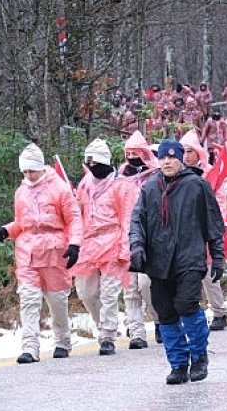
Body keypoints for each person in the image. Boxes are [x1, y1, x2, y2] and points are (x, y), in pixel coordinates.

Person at [129, 139, 224, 385]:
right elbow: (137, 220)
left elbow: (213, 222)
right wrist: (137, 246)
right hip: (159, 260)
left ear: (181, 159)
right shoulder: (149, 188)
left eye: (172, 157)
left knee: (186, 304)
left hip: (189, 257)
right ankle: (179, 364)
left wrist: (218, 255)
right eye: (162, 158)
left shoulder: (197, 186)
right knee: (165, 311)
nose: (167, 162)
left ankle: (199, 356)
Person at [0, 143, 81, 364]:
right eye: (25, 171)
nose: (28, 175)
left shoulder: (59, 188)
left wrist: (75, 244)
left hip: (54, 251)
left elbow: (74, 218)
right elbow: (22, 223)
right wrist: (6, 231)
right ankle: (30, 346)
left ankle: (62, 341)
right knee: (29, 299)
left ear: (41, 167)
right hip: (27, 252)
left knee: (57, 300)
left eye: (31, 170)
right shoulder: (21, 192)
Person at [71, 139, 127, 356]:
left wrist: (125, 249)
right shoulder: (84, 184)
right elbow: (77, 216)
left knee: (109, 293)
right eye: (90, 163)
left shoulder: (120, 186)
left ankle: (107, 336)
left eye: (97, 162)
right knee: (85, 292)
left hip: (112, 240)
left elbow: (128, 218)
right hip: (88, 243)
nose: (93, 167)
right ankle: (101, 324)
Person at [179, 131, 227, 331]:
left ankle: (219, 311)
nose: (186, 155)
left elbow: (221, 202)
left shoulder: (211, 174)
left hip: (205, 231)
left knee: (209, 274)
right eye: (183, 151)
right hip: (185, 234)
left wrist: (216, 226)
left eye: (190, 151)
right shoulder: (178, 174)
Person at [116, 132, 160, 347]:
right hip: (125, 238)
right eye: (128, 153)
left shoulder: (155, 178)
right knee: (130, 288)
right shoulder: (120, 179)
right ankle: (136, 333)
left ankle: (160, 319)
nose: (132, 157)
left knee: (147, 284)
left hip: (150, 239)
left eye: (136, 153)